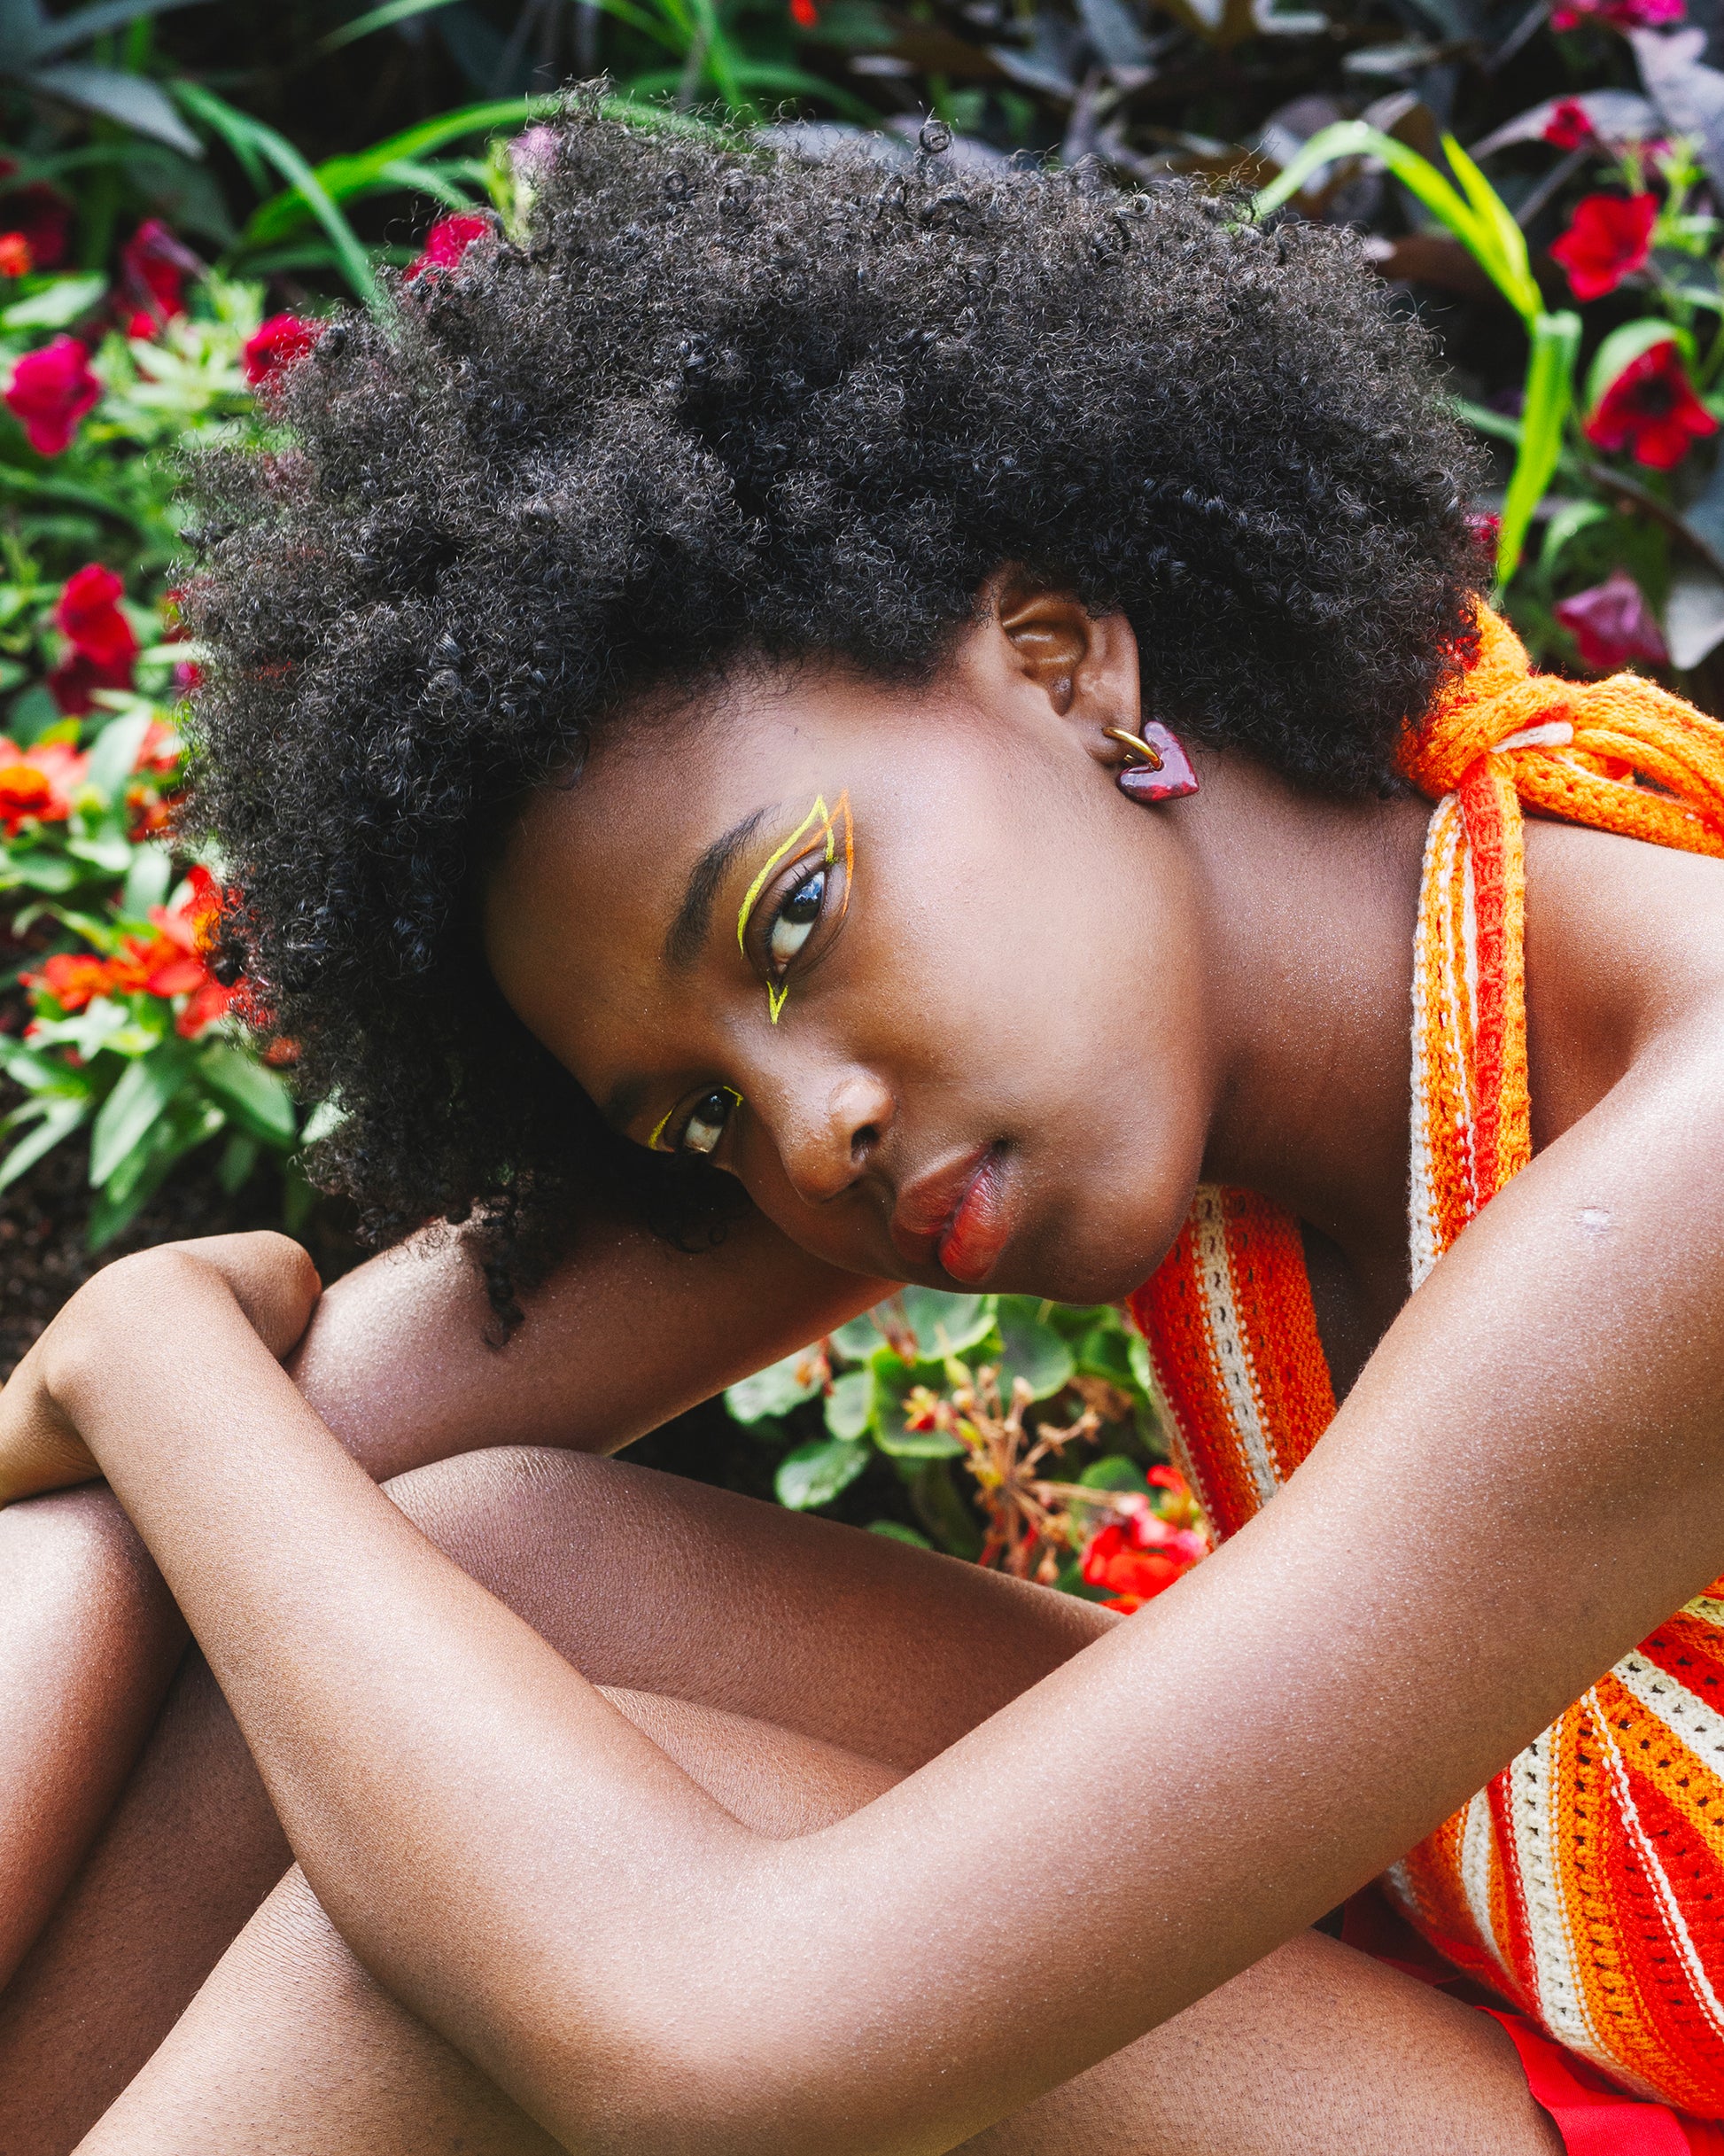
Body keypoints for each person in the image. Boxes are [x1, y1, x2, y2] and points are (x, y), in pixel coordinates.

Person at [4, 93, 1724, 2154]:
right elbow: (267, 1466)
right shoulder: (1088, 1022)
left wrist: (155, 1355)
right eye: (692, 1116)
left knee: (439, 1956)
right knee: (470, 1571)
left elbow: (715, 2039)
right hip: (1517, 1995)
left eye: (792, 911)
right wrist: (153, 1400)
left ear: (1057, 658)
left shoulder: (1685, 1133)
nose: (802, 1128)